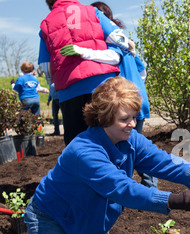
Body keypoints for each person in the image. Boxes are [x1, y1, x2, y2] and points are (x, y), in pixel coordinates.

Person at [23, 77, 190, 234]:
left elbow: (164, 162)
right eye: (125, 119)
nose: (132, 124)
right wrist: (177, 200)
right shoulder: (84, 152)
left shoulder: (130, 139)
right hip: (50, 218)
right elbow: (122, 189)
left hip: (85, 220)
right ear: (104, 117)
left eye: (134, 116)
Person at [60, 1, 157, 188]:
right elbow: (143, 72)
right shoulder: (127, 44)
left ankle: (124, 188)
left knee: (123, 148)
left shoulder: (109, 46)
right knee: (136, 146)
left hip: (124, 103)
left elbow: (112, 59)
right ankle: (149, 187)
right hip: (138, 99)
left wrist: (82, 52)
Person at [39, 0, 134, 145]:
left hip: (69, 91)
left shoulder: (46, 23)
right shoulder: (92, 11)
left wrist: (53, 81)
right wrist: (128, 44)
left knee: (77, 144)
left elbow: (45, 66)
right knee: (111, 139)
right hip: (103, 86)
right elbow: (115, 36)